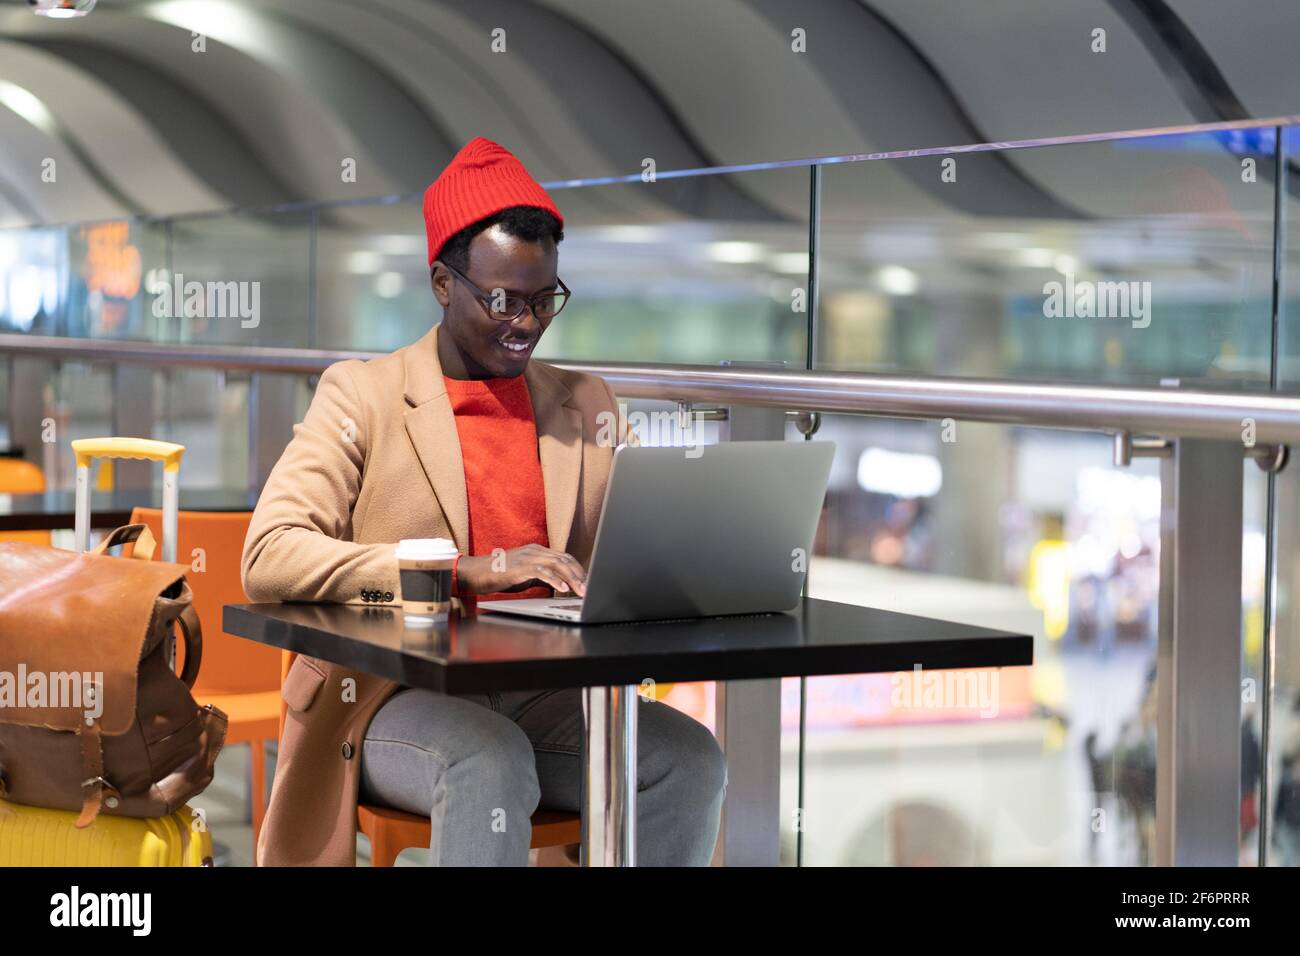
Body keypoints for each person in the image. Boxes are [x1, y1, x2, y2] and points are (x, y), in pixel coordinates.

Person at [243, 137, 727, 866]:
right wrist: (459, 570)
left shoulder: (584, 401)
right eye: (503, 299)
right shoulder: (363, 394)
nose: (526, 323)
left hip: (545, 695)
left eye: (544, 300)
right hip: (383, 698)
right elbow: (269, 553)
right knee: (488, 759)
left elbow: (641, 541)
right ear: (442, 282)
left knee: (687, 761)